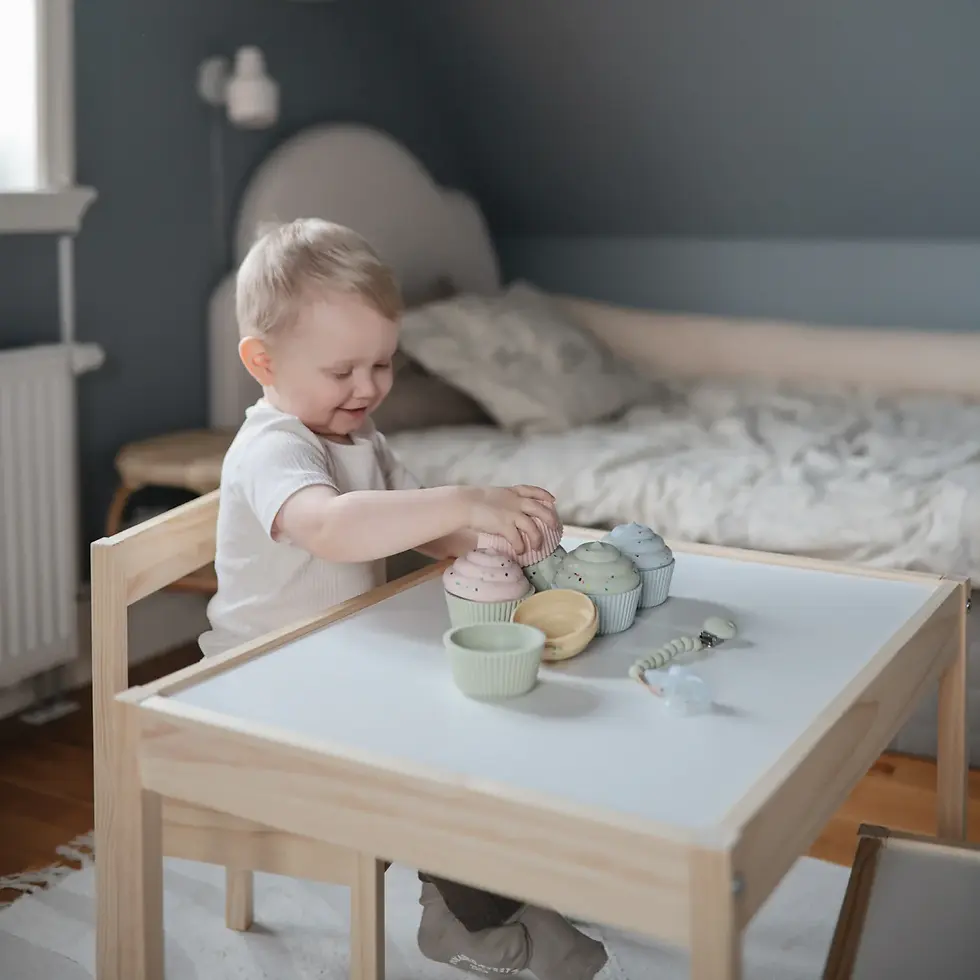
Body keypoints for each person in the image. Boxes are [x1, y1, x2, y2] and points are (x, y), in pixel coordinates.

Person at [199, 218, 625, 979]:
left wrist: (500, 540)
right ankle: (472, 916)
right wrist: (466, 500)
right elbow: (332, 526)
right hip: (263, 688)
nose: (367, 388)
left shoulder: (360, 437)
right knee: (443, 743)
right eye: (343, 371)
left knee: (496, 705)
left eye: (383, 365)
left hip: (335, 662)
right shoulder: (273, 448)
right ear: (263, 361)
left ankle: (493, 887)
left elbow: (417, 523)